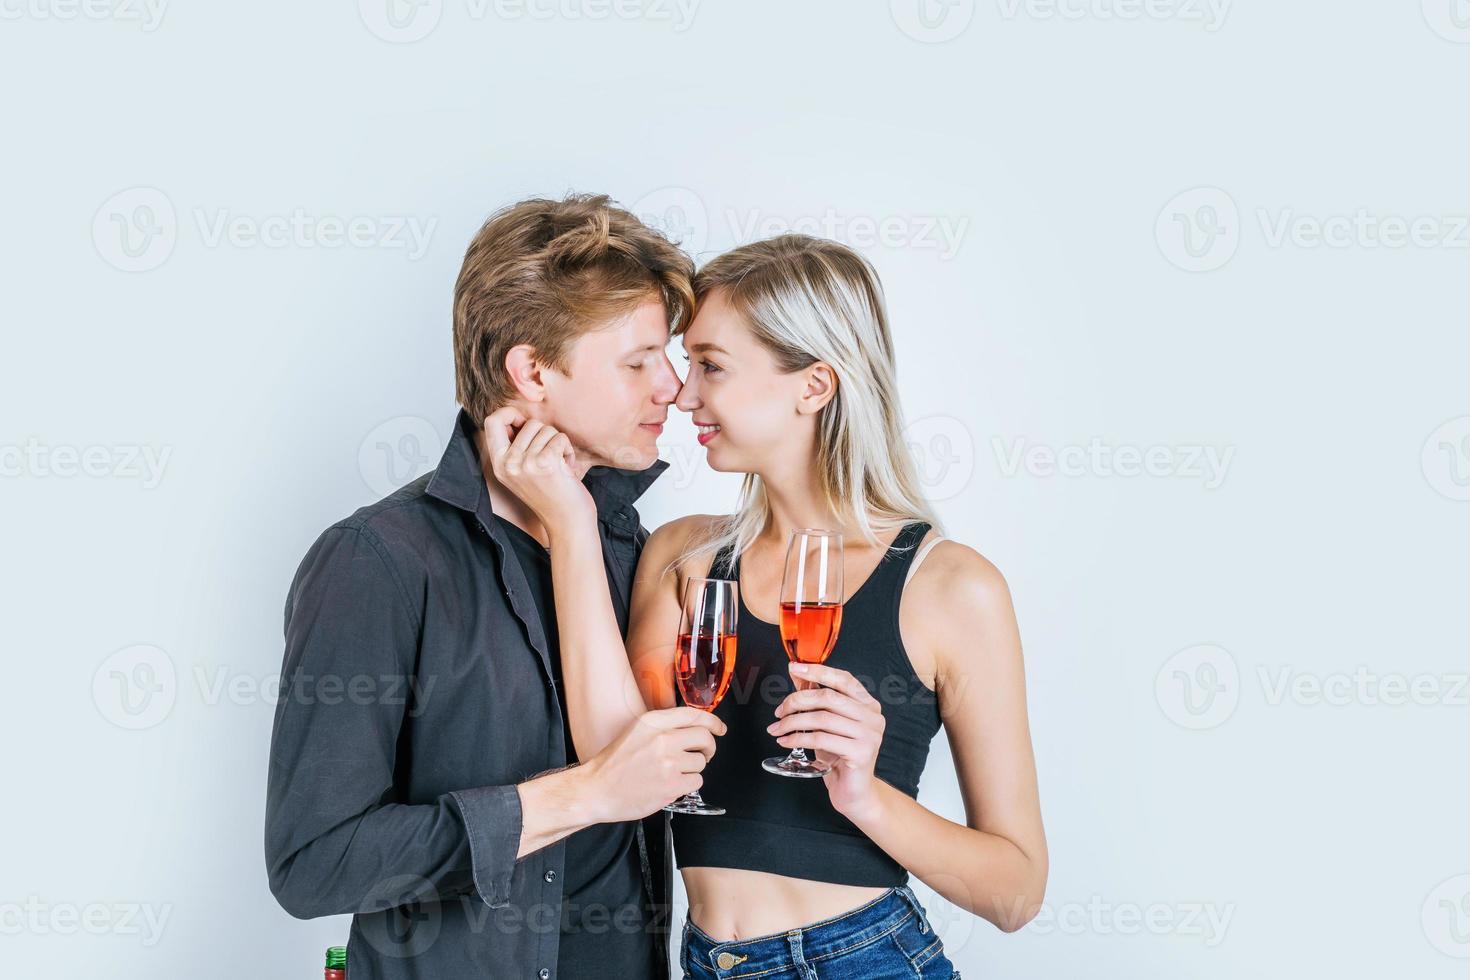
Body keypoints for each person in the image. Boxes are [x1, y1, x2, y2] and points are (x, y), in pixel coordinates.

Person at [487, 234, 1047, 978]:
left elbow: (1016, 891)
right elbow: (612, 753)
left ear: (813, 385)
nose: (681, 393)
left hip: (867, 958)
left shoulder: (951, 588)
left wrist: (866, 796)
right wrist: (570, 525)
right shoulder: (684, 556)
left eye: (710, 366)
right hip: (702, 962)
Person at [264, 193, 726, 979]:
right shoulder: (378, 562)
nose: (673, 388)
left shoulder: (632, 551)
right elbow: (313, 863)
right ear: (532, 370)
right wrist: (579, 796)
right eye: (639, 360)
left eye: (671, 359)